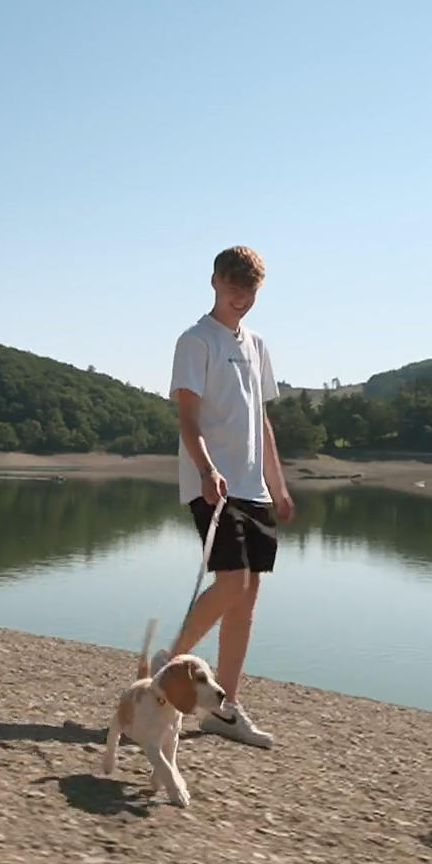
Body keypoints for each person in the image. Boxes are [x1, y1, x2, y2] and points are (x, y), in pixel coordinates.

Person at [153, 246, 294, 748]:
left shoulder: (257, 345)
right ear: (214, 281)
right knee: (231, 583)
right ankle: (169, 662)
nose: (241, 298)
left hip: (254, 487)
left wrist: (278, 485)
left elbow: (261, 420)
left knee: (246, 598)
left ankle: (224, 710)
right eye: (234, 288)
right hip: (212, 482)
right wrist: (208, 468)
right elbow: (188, 419)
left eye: (250, 290)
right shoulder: (196, 341)